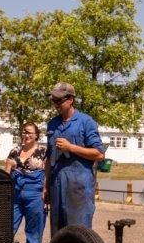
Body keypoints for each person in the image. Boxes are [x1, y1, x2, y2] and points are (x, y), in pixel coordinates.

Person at [44, 82, 105, 232]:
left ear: (70, 99)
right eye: (53, 101)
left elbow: (99, 154)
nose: (55, 104)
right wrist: (46, 186)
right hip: (56, 184)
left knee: (78, 233)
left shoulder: (86, 122)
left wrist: (71, 147)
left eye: (59, 101)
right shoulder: (52, 124)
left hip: (79, 186)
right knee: (58, 235)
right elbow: (49, 157)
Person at [6, 122, 47, 243]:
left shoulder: (43, 151)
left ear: (37, 135)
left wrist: (46, 190)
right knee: (7, 225)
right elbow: (7, 171)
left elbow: (47, 172)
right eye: (24, 132)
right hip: (16, 191)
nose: (26, 135)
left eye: (30, 132)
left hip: (35, 192)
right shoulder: (15, 150)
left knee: (34, 229)